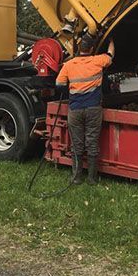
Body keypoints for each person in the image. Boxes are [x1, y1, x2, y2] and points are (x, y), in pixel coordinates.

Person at [56, 33, 115, 185]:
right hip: (93, 110)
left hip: (75, 110)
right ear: (92, 49)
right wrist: (111, 41)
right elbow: (110, 54)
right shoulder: (98, 61)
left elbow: (59, 84)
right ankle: (92, 179)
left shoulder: (69, 65)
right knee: (92, 143)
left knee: (77, 145)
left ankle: (76, 178)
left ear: (78, 49)